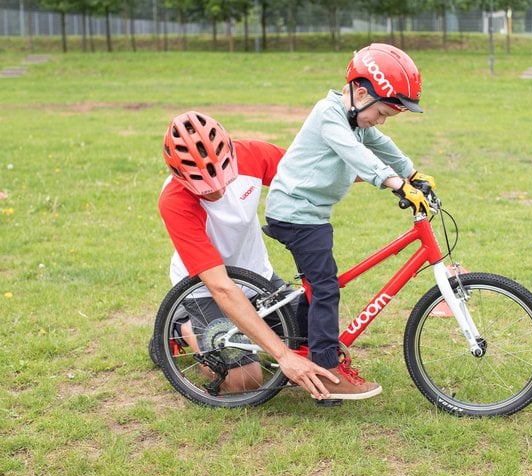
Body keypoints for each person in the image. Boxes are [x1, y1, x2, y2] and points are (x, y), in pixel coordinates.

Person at [264, 43, 436, 400]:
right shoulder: (329, 115)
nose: (381, 120)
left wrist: (412, 173)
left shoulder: (356, 118)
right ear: (360, 92)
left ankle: (302, 346)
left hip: (310, 214)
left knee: (318, 285)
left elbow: (380, 144)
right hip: (295, 213)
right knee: (326, 286)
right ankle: (326, 369)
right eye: (383, 112)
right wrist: (395, 183)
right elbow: (356, 154)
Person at [154, 110, 338, 399]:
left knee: (312, 340)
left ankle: (252, 332)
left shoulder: (251, 154)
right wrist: (282, 356)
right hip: (208, 290)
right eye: (203, 185)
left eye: (221, 176)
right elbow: (220, 288)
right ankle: (181, 327)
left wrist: (385, 178)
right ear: (178, 174)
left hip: (258, 278)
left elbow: (309, 171)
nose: (216, 189)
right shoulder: (174, 202)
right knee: (246, 381)